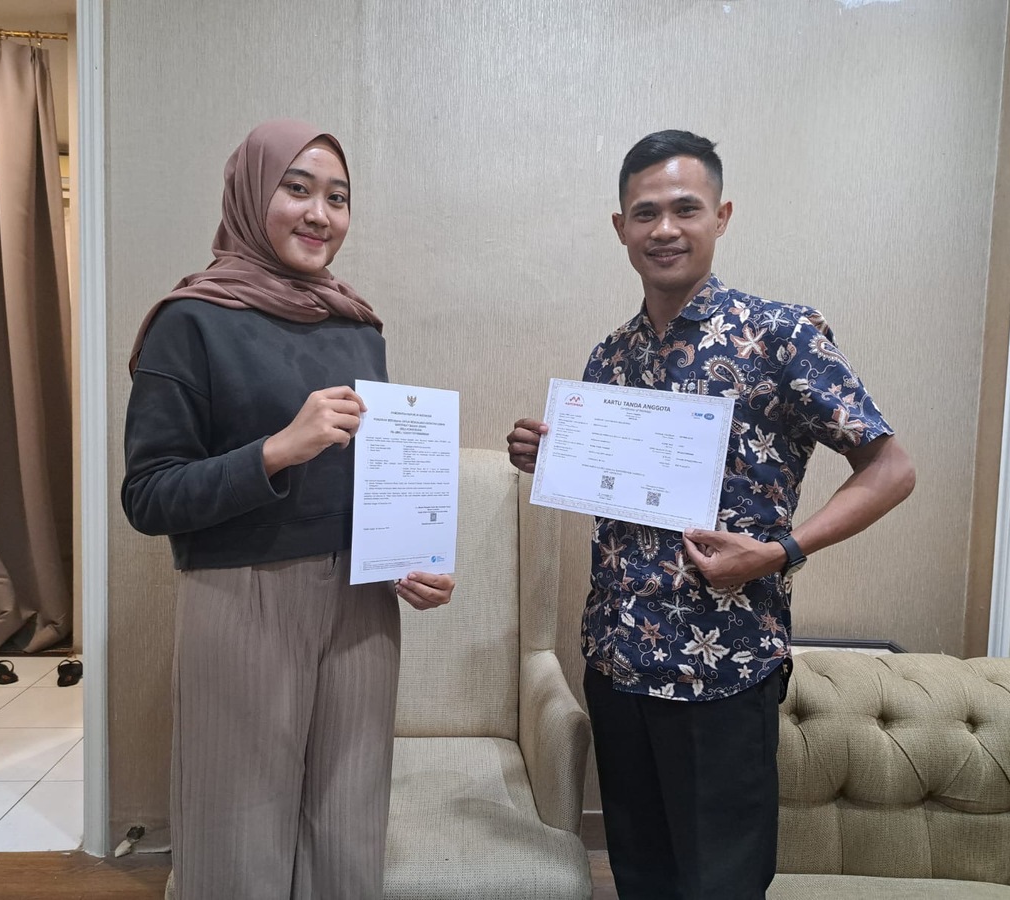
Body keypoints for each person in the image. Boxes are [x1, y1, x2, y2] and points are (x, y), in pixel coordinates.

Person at [506, 130, 916, 899]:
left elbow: (891, 470)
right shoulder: (611, 357)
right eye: (645, 213)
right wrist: (551, 456)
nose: (665, 228)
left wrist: (782, 550)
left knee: (718, 885)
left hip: (722, 672)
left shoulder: (781, 336)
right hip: (618, 663)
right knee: (641, 877)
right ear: (621, 227)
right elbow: (617, 488)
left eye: (685, 209)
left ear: (721, 217)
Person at [122, 120, 454, 900]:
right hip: (241, 595)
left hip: (363, 604)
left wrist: (411, 557)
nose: (319, 214)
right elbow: (149, 495)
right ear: (249, 194)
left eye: (338, 198)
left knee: (348, 819)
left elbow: (370, 477)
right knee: (239, 828)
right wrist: (275, 451)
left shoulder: (358, 325)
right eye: (297, 189)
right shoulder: (189, 321)